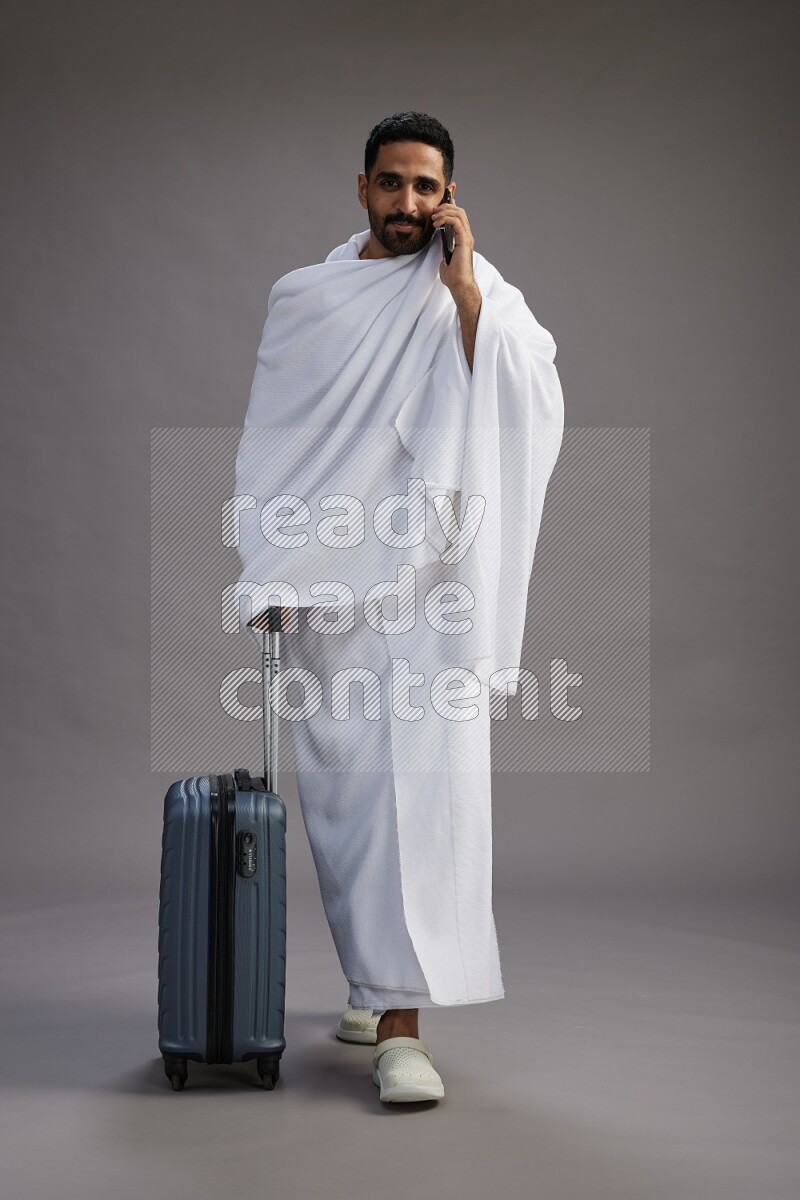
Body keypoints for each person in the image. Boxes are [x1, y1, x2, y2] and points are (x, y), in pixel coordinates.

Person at [233, 111, 564, 1104]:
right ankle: (374, 985)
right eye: (392, 184)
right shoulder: (308, 300)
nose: (408, 204)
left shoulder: (477, 296)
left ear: (449, 196)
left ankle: (400, 1029)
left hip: (432, 593)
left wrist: (465, 294)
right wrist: (268, 568)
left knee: (421, 799)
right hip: (333, 591)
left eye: (427, 188)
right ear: (362, 187)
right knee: (344, 805)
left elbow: (526, 399)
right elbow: (275, 444)